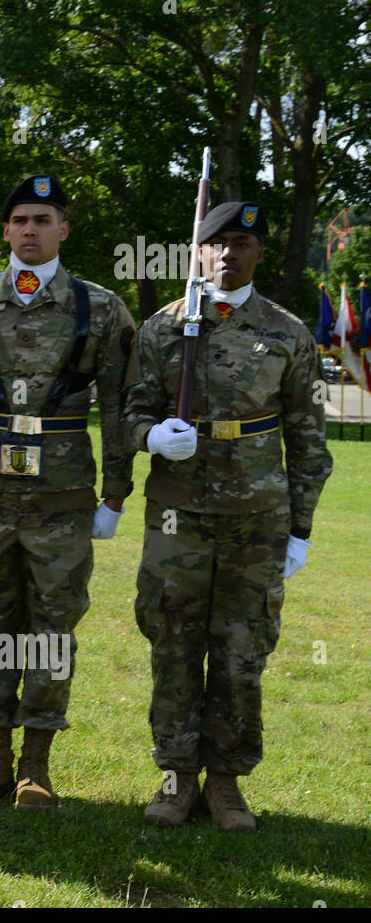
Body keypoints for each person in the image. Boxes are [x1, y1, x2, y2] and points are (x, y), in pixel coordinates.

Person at [123, 200, 332, 830]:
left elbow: (309, 438)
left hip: (258, 518)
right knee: (173, 644)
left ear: (259, 254)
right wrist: (152, 435)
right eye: (218, 245)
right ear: (199, 252)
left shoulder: (288, 332)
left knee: (243, 651)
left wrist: (301, 527)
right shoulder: (162, 330)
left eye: (243, 244)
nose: (229, 255)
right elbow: (126, 414)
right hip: (177, 519)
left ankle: (227, 783)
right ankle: (175, 776)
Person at [0, 175, 135, 811]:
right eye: (19, 219)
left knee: (52, 622)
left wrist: (116, 494)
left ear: (63, 230)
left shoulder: (100, 309)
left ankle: (36, 765)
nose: (29, 230)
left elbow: (125, 404)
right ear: (5, 230)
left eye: (43, 220)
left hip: (63, 491)